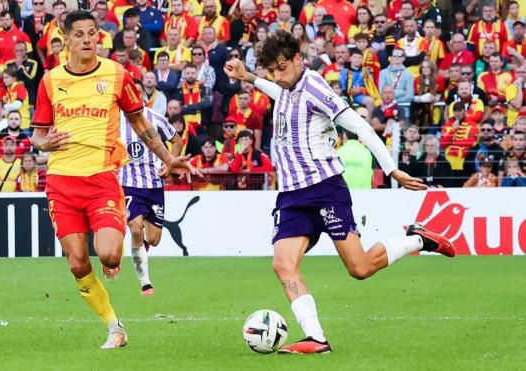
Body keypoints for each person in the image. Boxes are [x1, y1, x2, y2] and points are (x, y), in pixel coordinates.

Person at [224, 29, 455, 355]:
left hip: (325, 190)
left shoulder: (315, 86)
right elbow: (279, 91)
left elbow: (359, 126)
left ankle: (419, 238)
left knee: (359, 268)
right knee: (282, 264)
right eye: (272, 70)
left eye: (282, 68)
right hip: (291, 196)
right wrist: (250, 77)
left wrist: (392, 169)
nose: (278, 76)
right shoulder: (286, 86)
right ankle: (316, 338)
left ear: (298, 59)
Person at [30, 10, 195, 350]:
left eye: (93, 33)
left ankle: (112, 260)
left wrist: (168, 158)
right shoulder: (50, 81)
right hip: (61, 181)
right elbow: (37, 136)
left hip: (102, 177)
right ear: (65, 38)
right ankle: (114, 328)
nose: (89, 39)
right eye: (80, 34)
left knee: (108, 255)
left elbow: (141, 125)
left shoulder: (117, 74)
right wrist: (44, 144)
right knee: (77, 261)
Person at [119, 106, 182, 295]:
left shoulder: (155, 118)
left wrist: (169, 163)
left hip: (154, 185)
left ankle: (140, 249)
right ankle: (145, 283)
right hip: (128, 184)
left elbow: (176, 140)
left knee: (153, 240)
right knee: (136, 228)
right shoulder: (113, 119)